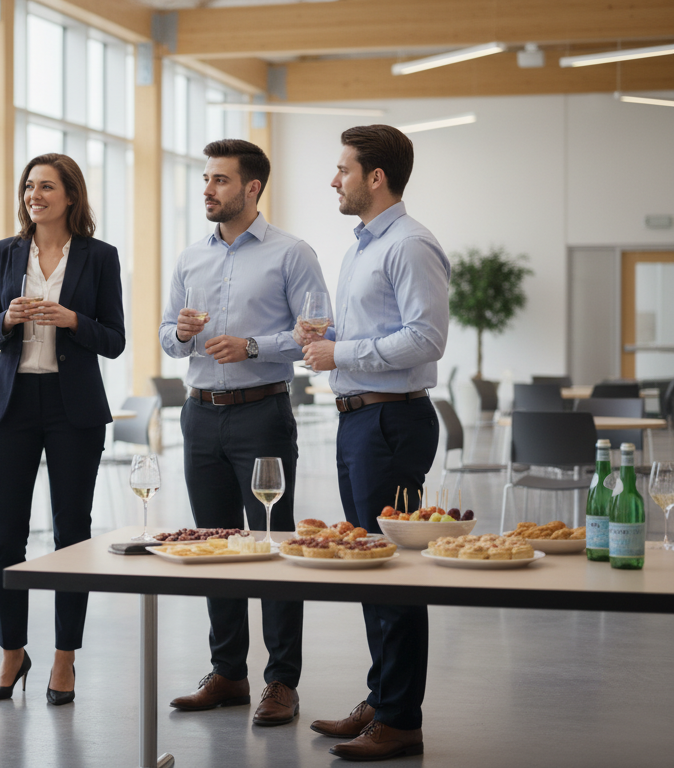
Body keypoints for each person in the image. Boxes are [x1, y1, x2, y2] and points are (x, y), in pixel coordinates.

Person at [159, 139, 327, 725]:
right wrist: (180, 333)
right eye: (206, 179)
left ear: (252, 188)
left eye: (221, 181)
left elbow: (316, 333)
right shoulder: (189, 258)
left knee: (273, 544)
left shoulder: (292, 254)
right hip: (200, 412)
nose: (208, 189)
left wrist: (254, 345)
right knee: (213, 544)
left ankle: (282, 681)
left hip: (262, 412)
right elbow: (165, 336)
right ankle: (228, 672)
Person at [298, 125, 449, 761]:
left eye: (343, 170)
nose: (335, 180)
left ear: (375, 177)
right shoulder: (364, 245)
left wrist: (343, 351)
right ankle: (382, 696)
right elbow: (381, 329)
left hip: (392, 423)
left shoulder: (410, 245)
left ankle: (400, 719)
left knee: (392, 571)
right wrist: (331, 333)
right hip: (362, 420)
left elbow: (426, 338)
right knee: (368, 563)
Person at [0, 153, 125, 706]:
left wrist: (71, 321)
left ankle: (65, 659)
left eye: (46, 186)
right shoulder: (3, 253)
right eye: (29, 186)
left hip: (73, 408)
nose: (35, 194)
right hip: (11, 405)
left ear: (70, 196)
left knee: (72, 536)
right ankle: (13, 652)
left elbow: (114, 338)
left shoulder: (99, 257)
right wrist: (8, 319)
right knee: (5, 537)